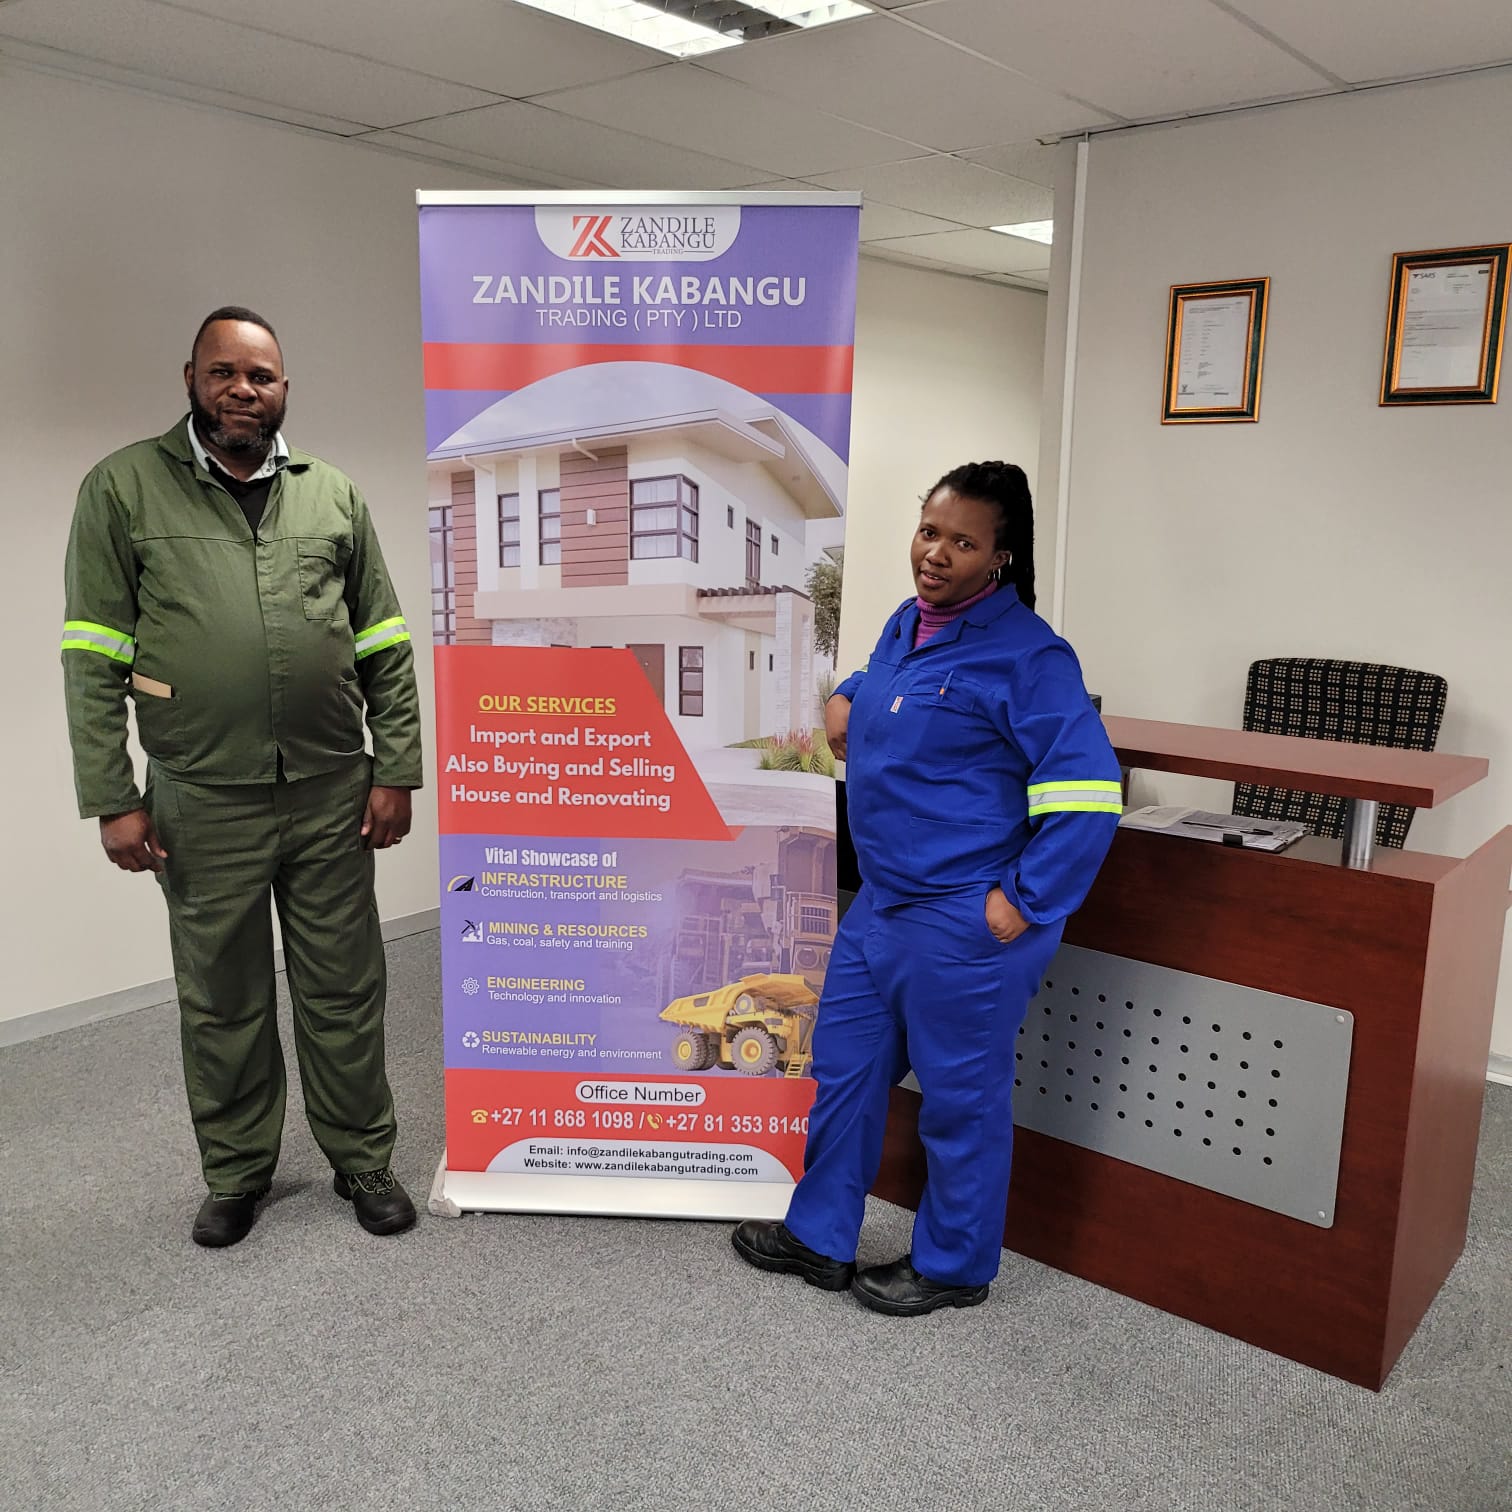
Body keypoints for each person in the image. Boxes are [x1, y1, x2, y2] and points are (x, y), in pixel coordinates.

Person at [61, 306, 423, 1248]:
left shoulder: (332, 495)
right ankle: (236, 1172)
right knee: (223, 997)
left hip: (332, 791)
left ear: (283, 390)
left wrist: (397, 767)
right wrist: (112, 796)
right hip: (201, 796)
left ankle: (363, 1158)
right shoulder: (124, 489)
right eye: (223, 372)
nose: (241, 390)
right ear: (190, 379)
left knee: (345, 987)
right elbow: (92, 655)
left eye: (259, 376)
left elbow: (384, 641)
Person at [733, 460, 1121, 1315]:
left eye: (962, 543)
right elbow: (894, 688)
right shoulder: (907, 623)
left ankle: (954, 1263)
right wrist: (847, 694)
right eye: (928, 531)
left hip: (964, 917)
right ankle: (820, 1236)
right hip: (882, 904)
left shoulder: (1031, 657)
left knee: (958, 1099)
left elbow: (1091, 795)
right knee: (844, 1071)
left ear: (1000, 557)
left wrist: (1021, 901)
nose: (935, 554)